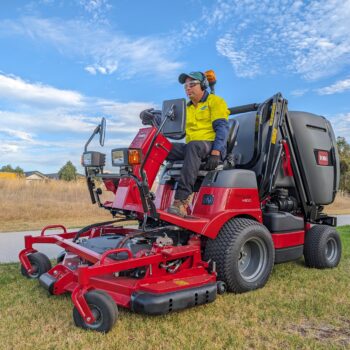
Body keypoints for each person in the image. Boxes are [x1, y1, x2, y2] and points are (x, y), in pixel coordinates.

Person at [141, 71, 229, 217]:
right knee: (159, 147)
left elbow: (222, 128)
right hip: (192, 148)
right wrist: (152, 117)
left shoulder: (215, 102)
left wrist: (216, 152)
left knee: (193, 146)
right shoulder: (185, 109)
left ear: (203, 85)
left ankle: (181, 201)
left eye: (192, 84)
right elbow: (174, 128)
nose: (188, 88)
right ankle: (140, 192)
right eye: (186, 86)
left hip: (211, 146)